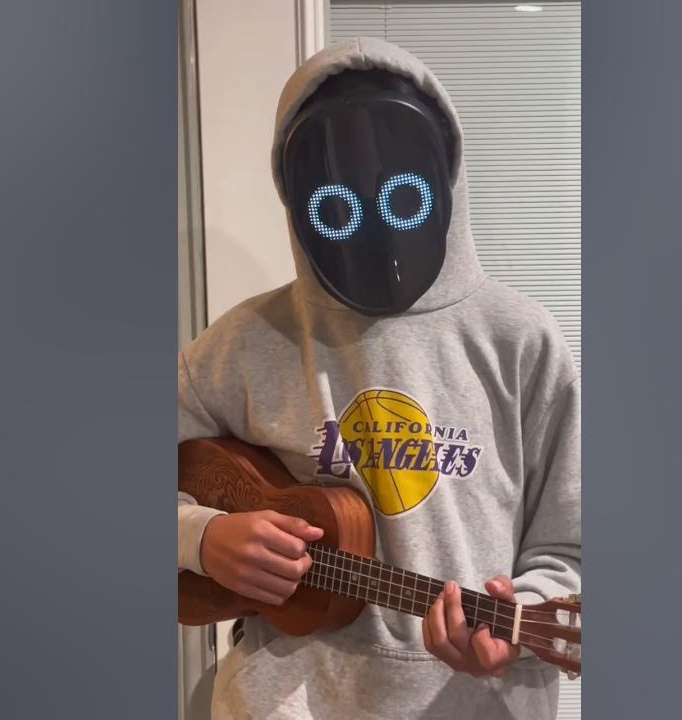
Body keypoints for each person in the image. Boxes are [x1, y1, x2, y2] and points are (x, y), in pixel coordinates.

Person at [177, 37, 580, 719]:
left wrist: (523, 620)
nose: (371, 224)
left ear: (444, 181)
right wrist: (203, 538)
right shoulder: (240, 345)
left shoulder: (520, 341)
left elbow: (570, 547)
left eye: (404, 199)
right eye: (336, 203)